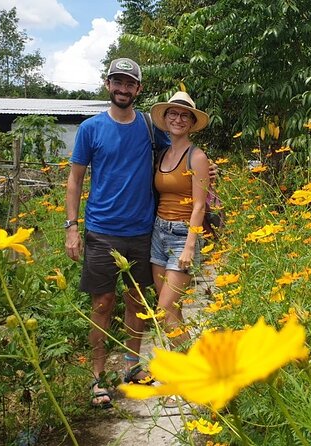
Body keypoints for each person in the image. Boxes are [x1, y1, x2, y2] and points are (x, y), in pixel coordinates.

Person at [64, 58, 171, 409]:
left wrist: (206, 168)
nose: (123, 89)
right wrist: (72, 228)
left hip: (142, 230)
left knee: (137, 302)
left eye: (130, 83)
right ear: (107, 84)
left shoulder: (149, 127)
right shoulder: (91, 129)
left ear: (139, 89)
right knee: (101, 303)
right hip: (101, 231)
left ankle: (131, 366)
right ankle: (97, 377)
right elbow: (75, 180)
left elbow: (179, 156)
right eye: (118, 82)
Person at [149, 92, 210, 350]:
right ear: (165, 118)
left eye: (185, 115)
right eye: (173, 113)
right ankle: (187, 372)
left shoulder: (197, 157)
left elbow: (199, 205)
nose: (178, 119)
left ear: (192, 123)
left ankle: (188, 375)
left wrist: (189, 245)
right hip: (158, 233)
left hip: (183, 235)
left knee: (163, 311)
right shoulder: (162, 154)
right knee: (173, 311)